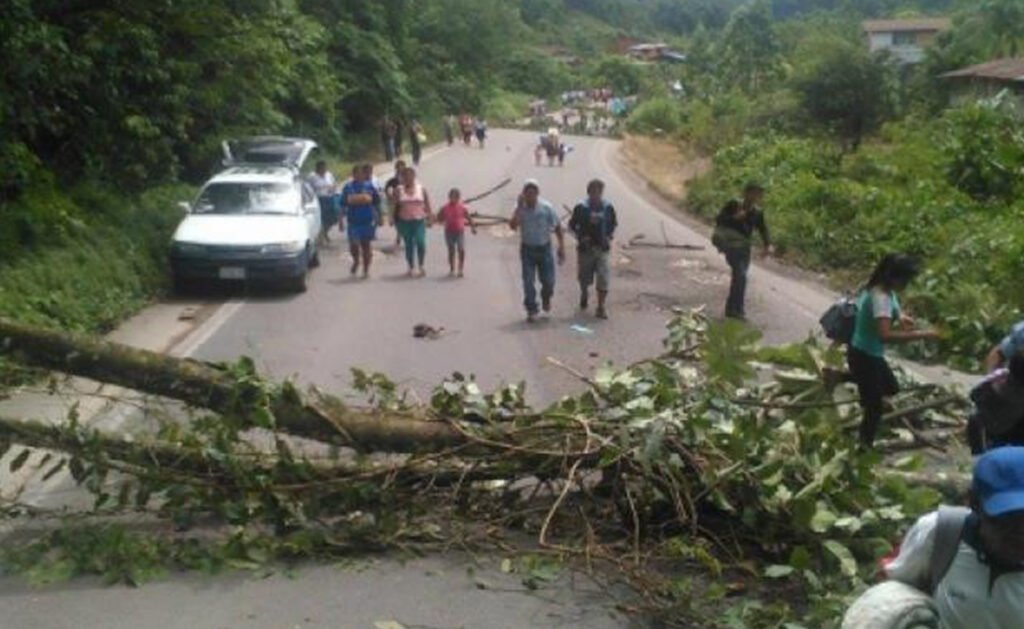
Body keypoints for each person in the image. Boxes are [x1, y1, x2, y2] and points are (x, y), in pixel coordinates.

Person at [878, 446, 1024, 628]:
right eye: (1007, 521)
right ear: (974, 504)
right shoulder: (942, 533)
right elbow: (891, 593)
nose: (1020, 534)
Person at [847, 254, 939, 447]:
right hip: (865, 355)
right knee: (874, 409)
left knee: (891, 388)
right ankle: (864, 448)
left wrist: (901, 316)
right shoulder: (881, 298)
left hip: (868, 353)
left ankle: (850, 377)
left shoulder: (883, 290)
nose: (907, 285)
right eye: (906, 280)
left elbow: (892, 309)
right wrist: (923, 334)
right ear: (894, 277)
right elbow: (885, 335)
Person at [712, 183, 773, 320]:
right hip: (731, 246)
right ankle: (737, 310)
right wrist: (734, 218)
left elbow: (763, 229)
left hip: (744, 248)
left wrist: (768, 245)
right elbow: (719, 219)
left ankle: (732, 308)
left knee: (739, 277)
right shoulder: (734, 204)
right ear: (745, 193)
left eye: (758, 194)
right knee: (741, 276)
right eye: (753, 193)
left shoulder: (757, 212)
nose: (755, 197)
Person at [509, 180, 565, 323]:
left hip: (544, 249)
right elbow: (512, 226)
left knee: (549, 281)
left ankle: (546, 297)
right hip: (527, 249)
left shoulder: (546, 207)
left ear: (537, 194)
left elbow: (557, 226)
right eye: (527, 194)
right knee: (528, 281)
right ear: (523, 194)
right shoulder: (520, 208)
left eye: (533, 194)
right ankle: (531, 309)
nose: (530, 197)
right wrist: (518, 209)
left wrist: (561, 247)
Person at [568, 179, 618, 319]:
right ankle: (584, 293)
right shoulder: (581, 207)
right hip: (586, 250)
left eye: (599, 191)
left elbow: (613, 224)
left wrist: (608, 237)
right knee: (584, 278)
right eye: (593, 191)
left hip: (602, 249)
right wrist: (580, 237)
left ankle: (601, 307)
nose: (596, 194)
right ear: (588, 192)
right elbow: (571, 226)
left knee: (603, 277)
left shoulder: (608, 207)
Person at [967, 350, 1024, 454]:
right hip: (1003, 432)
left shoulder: (999, 380)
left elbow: (974, 394)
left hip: (990, 431)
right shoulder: (1008, 388)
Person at [339, 165, 381, 278]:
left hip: (367, 221)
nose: (359, 176)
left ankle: (366, 268)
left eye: (361, 173)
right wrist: (340, 221)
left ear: (364, 174)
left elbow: (376, 202)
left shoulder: (369, 186)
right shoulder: (348, 187)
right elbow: (342, 204)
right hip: (353, 221)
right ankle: (356, 261)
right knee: (354, 245)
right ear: (353, 175)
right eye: (356, 173)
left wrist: (378, 216)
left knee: (366, 246)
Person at [395, 166, 433, 277]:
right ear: (402, 178)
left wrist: (430, 217)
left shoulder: (421, 189)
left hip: (419, 221)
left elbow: (427, 204)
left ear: (414, 177)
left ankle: (421, 265)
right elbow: (395, 205)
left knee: (421, 243)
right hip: (404, 222)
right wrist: (394, 220)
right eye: (405, 177)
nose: (407, 179)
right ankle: (411, 266)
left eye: (410, 176)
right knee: (409, 245)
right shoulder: (399, 190)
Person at [436, 188, 477, 277]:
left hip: (459, 232)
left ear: (458, 198)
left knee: (461, 249)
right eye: (452, 197)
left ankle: (460, 269)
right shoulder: (445, 208)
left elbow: (469, 218)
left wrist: (473, 227)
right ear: (449, 197)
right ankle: (452, 268)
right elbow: (439, 218)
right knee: (451, 250)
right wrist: (438, 218)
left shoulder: (462, 207)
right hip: (449, 232)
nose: (453, 199)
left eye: (455, 197)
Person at [307, 160, 337, 245]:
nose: (324, 170)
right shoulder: (312, 176)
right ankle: (321, 236)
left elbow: (334, 184)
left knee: (332, 218)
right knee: (321, 219)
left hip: (329, 197)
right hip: (319, 199)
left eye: (325, 168)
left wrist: (333, 188)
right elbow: (308, 188)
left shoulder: (328, 174)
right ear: (318, 168)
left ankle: (324, 232)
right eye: (322, 168)